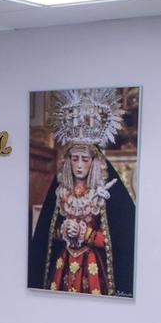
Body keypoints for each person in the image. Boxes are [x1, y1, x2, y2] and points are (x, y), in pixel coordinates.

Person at [27, 88, 135, 297]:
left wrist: (85, 234)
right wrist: (64, 231)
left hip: (94, 269)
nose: (79, 165)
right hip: (63, 268)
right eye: (74, 159)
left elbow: (120, 239)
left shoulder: (106, 195)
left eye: (84, 160)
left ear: (94, 162)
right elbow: (47, 237)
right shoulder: (61, 192)